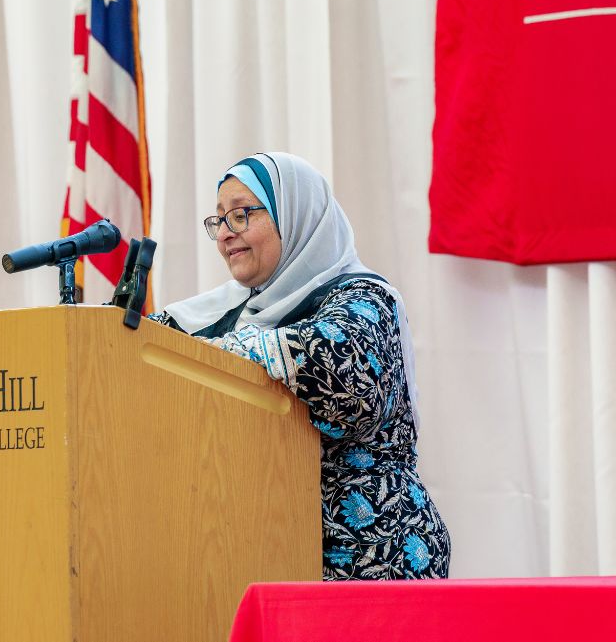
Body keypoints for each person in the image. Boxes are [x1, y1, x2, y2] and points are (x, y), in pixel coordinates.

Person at [150, 152, 450, 580]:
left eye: (241, 215)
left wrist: (219, 352)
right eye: (219, 221)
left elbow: (341, 372)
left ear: (294, 216)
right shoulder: (227, 312)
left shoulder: (362, 297)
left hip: (373, 556)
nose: (225, 236)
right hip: (262, 549)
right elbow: (147, 349)